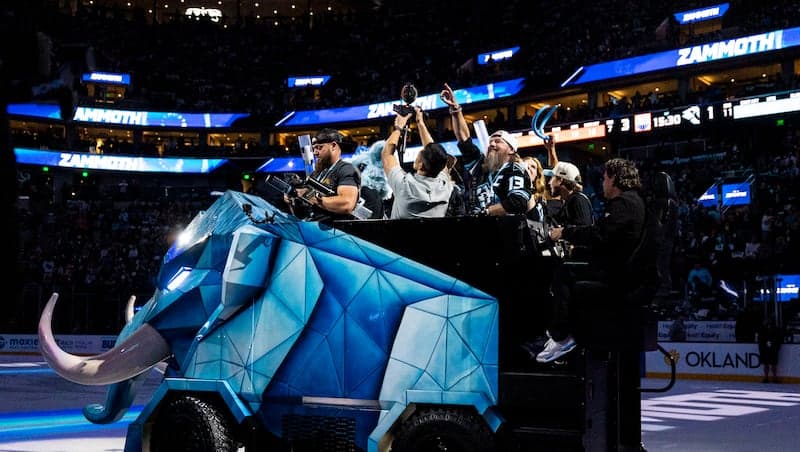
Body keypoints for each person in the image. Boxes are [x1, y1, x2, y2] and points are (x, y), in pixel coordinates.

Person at [539, 158, 646, 363]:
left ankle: (561, 335)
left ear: (614, 179)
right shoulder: (632, 201)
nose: (602, 184)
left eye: (605, 179)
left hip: (617, 275)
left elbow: (598, 234)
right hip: (621, 270)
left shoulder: (624, 203)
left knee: (563, 271)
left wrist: (565, 233)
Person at [439, 83, 531, 216]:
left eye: (498, 141)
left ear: (511, 150)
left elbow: (517, 201)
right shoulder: (481, 168)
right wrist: (455, 109)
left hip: (504, 232)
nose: (492, 144)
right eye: (490, 141)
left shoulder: (514, 169)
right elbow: (464, 140)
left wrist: (486, 212)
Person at [382, 107, 453, 219]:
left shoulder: (404, 185)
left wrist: (398, 128)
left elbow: (387, 154)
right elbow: (434, 152)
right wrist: (420, 122)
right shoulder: (445, 186)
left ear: (421, 165)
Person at [286, 128, 361, 223]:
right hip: (313, 229)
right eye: (314, 148)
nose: (315, 152)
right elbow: (302, 213)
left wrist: (312, 198)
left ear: (333, 146)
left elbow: (347, 204)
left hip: (335, 232)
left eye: (319, 147)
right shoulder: (316, 173)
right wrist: (293, 199)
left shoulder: (345, 169)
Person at [757, 319, 783, 383]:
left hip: (772, 349)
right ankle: (767, 377)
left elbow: (778, 339)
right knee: (767, 364)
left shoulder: (776, 330)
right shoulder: (762, 330)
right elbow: (760, 340)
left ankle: (773, 377)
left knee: (773, 364)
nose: (769, 325)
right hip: (765, 350)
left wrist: (775, 346)